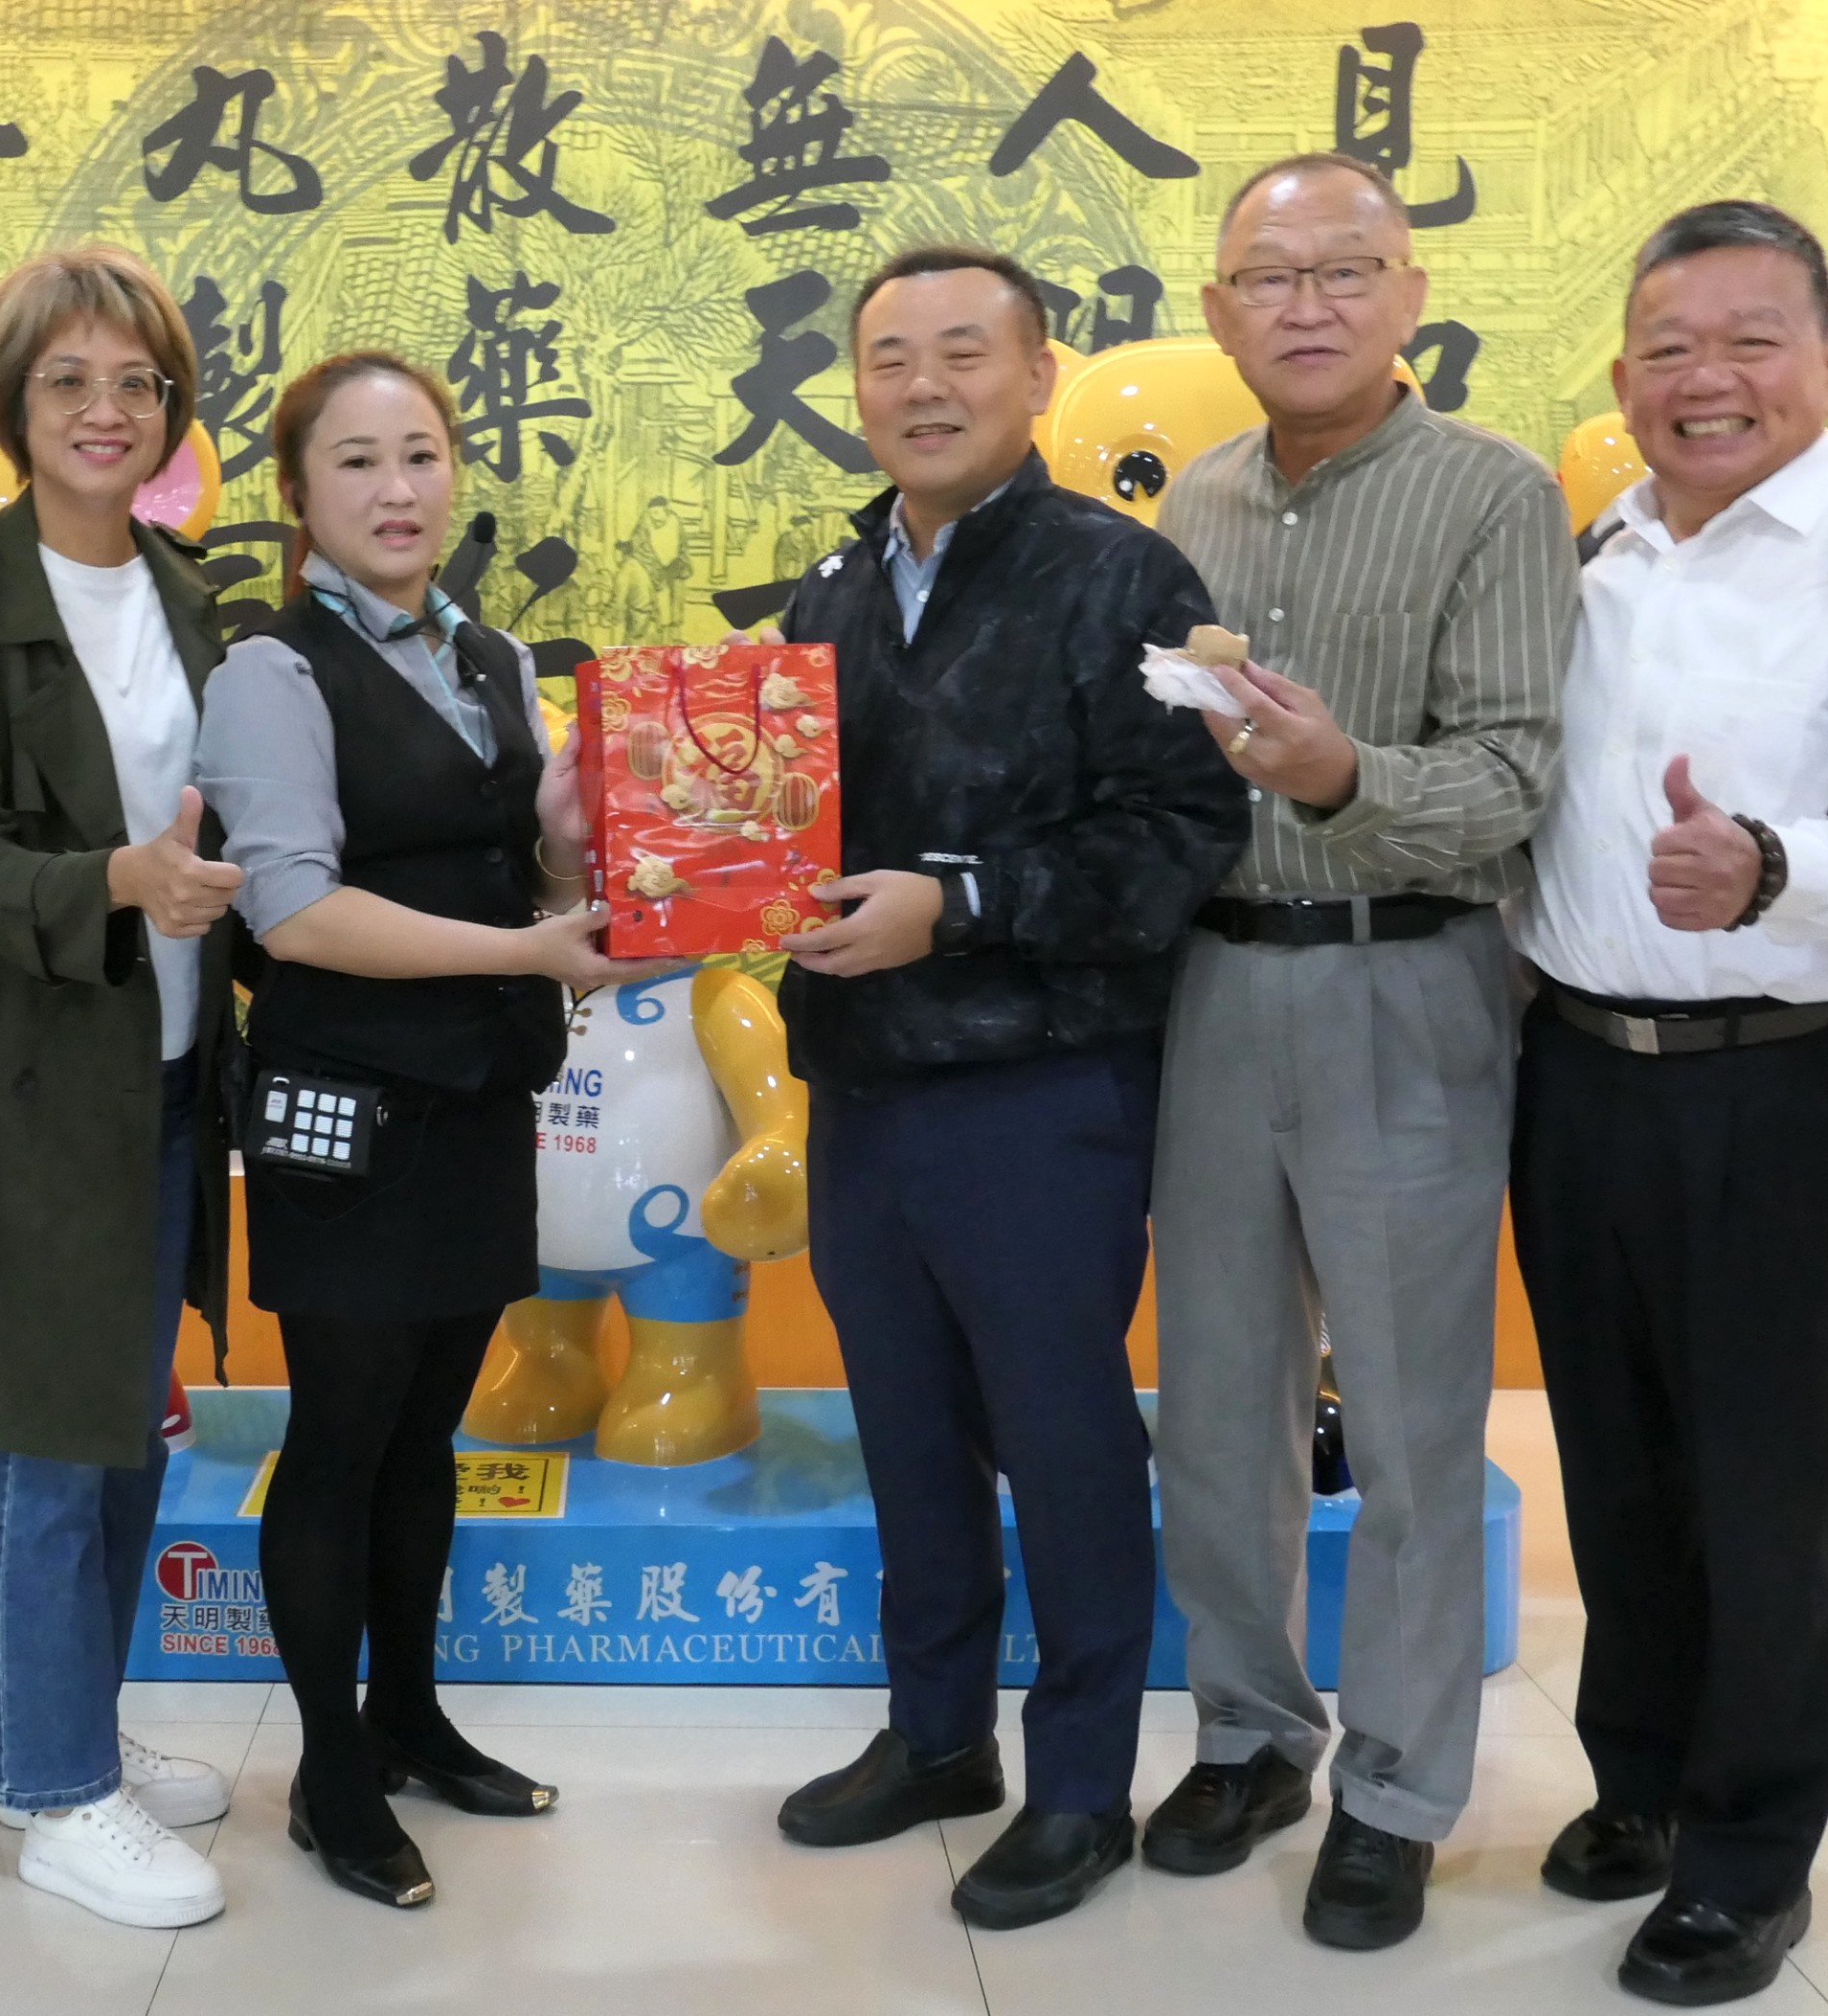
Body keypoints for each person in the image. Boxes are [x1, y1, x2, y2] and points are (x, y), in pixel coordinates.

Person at [1506, 199, 1828, 2005]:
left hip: (1778, 1075)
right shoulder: (1596, 554)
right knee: (1612, 1453)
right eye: (1667, 347)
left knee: (1762, 1473)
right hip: (1575, 1068)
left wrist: (1770, 863)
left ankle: (1746, 1855)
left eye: (1746, 340)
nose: (1703, 379)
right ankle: (1639, 1782)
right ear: (1622, 375)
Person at [765, 244, 1249, 1932]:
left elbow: (1184, 832)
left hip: (1043, 1093)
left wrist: (957, 901)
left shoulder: (1126, 576)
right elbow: (784, 827)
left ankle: (1080, 1785)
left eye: (963, 351)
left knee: (1060, 1438)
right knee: (904, 1430)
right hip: (861, 1081)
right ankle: (934, 1737)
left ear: (1039, 378)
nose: (923, 385)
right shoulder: (831, 587)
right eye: (888, 355)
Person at [1144, 151, 1574, 1951]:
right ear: (1217, 309)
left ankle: (1395, 1786)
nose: (1305, 304)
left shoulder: (1495, 494)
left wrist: (1342, 777)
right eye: (1268, 276)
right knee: (1215, 1396)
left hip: (1407, 977)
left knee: (1401, 1416)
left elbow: (1514, 771)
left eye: (1342, 270)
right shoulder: (1191, 505)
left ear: (1408, 295)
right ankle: (1249, 1732)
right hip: (1208, 987)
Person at [195, 351, 668, 1909]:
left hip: (477, 1103)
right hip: (346, 1118)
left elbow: (525, 880)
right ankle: (329, 1771)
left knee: (425, 1439)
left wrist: (565, 855)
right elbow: (296, 913)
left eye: (418, 455)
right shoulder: (269, 671)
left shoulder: (492, 655)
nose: (396, 490)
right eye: (355, 462)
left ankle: (409, 1714)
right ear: (297, 494)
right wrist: (528, 949)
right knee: (339, 1442)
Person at [0, 244, 238, 1930]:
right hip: (17, 1080)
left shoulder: (191, 597)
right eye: (67, 379)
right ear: (13, 403)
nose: (105, 409)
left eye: (135, 382)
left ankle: (72, 1718)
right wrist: (120, 885)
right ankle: (51, 1787)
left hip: (168, 1071)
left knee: (126, 1422)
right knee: (47, 1442)